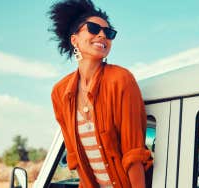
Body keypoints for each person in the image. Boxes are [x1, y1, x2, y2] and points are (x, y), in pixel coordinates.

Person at [48, 1, 152, 187]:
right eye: (94, 28)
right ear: (74, 40)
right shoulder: (60, 92)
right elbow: (74, 157)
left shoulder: (121, 79)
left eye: (109, 32)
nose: (102, 35)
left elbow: (133, 155)